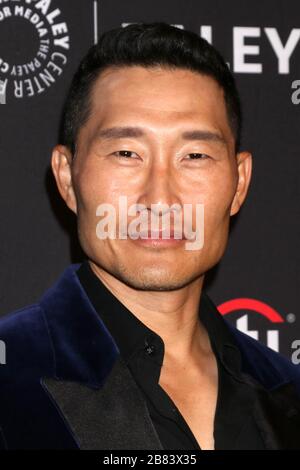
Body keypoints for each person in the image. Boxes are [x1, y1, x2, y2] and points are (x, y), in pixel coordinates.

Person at [0, 22, 300, 450]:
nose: (160, 198)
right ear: (67, 178)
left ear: (239, 182)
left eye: (194, 155)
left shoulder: (287, 391)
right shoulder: (11, 378)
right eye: (126, 154)